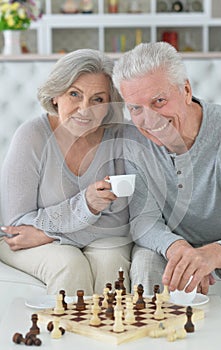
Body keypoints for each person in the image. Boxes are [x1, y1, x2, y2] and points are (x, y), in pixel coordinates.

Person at [113, 42, 221, 317]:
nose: (149, 119)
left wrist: (214, 253)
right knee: (145, 261)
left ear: (186, 90)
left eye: (159, 101)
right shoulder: (134, 142)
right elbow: (144, 221)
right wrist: (177, 249)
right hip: (173, 245)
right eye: (136, 108)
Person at [0, 49, 132, 296]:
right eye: (74, 94)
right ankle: (62, 334)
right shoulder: (31, 136)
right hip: (21, 242)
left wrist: (49, 234)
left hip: (54, 236)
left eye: (98, 99)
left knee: (111, 263)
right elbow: (17, 225)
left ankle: (112, 334)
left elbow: (119, 223)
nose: (85, 109)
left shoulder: (120, 136)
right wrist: (87, 206)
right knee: (70, 265)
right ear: (56, 96)